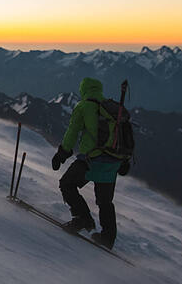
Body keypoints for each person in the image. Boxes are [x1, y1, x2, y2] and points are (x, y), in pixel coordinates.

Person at [51, 77, 130, 249]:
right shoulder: (112, 109)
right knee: (105, 201)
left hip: (91, 160)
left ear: (83, 90)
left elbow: (72, 133)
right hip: (112, 163)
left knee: (67, 184)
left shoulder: (84, 106)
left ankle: (82, 219)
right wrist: (125, 161)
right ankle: (108, 237)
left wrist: (61, 155)